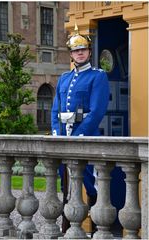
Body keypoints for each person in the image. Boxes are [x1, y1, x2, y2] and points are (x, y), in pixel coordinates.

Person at [51, 24, 110, 233]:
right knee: (65, 185)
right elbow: (55, 110)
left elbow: (96, 112)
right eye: (76, 50)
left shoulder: (98, 76)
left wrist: (77, 136)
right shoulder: (64, 78)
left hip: (86, 137)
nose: (80, 53)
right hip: (64, 138)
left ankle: (96, 229)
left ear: (89, 52)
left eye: (83, 49)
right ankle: (66, 227)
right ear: (72, 54)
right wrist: (57, 134)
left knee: (91, 184)